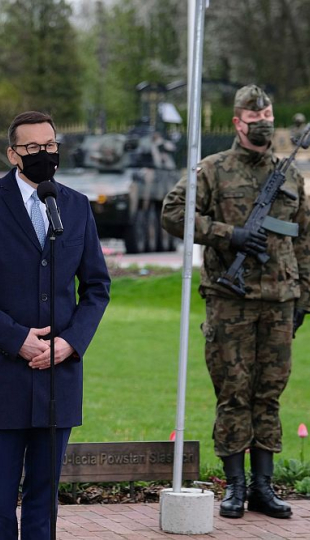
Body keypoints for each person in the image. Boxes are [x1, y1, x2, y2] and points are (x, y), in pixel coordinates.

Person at [0, 111, 111, 539]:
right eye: (34, 147)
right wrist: (16, 339)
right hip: (1, 374)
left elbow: (96, 287)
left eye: (51, 145)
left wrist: (72, 343)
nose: (45, 153)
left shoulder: (74, 206)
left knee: (44, 505)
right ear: (12, 154)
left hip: (59, 378)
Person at [161, 85, 310, 520]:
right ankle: (235, 486)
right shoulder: (212, 169)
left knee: (269, 393)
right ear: (236, 122)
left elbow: (303, 239)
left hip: (280, 300)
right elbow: (173, 214)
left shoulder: (291, 174)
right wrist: (230, 234)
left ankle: (264, 486)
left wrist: (305, 297)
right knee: (233, 392)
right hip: (231, 300)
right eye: (253, 114)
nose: (263, 119)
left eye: (267, 111)